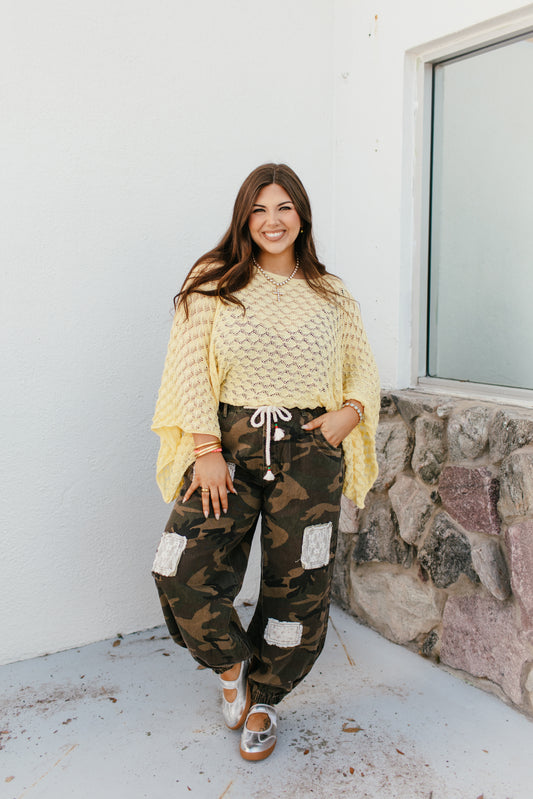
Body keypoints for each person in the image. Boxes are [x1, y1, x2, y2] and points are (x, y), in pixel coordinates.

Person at [151, 163, 380, 761]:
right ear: (243, 218)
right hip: (226, 448)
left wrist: (351, 412)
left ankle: (267, 698)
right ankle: (234, 671)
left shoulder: (332, 293)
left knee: (299, 581)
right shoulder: (213, 280)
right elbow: (191, 370)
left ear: (301, 214)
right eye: (258, 209)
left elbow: (362, 370)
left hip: (311, 454)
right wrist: (206, 449)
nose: (271, 221)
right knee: (180, 567)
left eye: (283, 207)